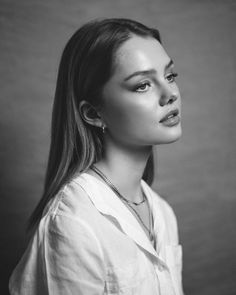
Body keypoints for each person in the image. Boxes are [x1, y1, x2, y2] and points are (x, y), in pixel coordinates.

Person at [9, 18, 184, 295]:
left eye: (170, 76)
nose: (170, 94)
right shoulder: (73, 222)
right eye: (142, 85)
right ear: (93, 113)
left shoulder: (162, 212)